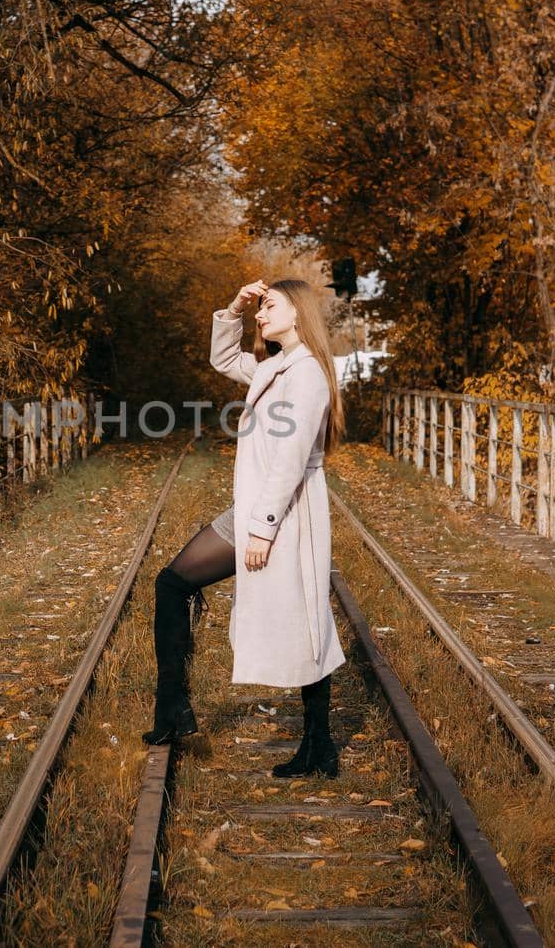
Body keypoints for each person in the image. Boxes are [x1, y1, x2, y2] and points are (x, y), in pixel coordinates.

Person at [141, 278, 348, 778]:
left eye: (268, 307)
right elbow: (221, 358)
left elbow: (292, 460)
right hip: (256, 508)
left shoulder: (308, 375)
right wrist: (234, 307)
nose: (261, 315)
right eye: (259, 309)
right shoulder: (274, 366)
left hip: (285, 513)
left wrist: (264, 528)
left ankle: (318, 746)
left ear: (298, 312)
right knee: (172, 583)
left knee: (308, 622)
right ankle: (172, 709)